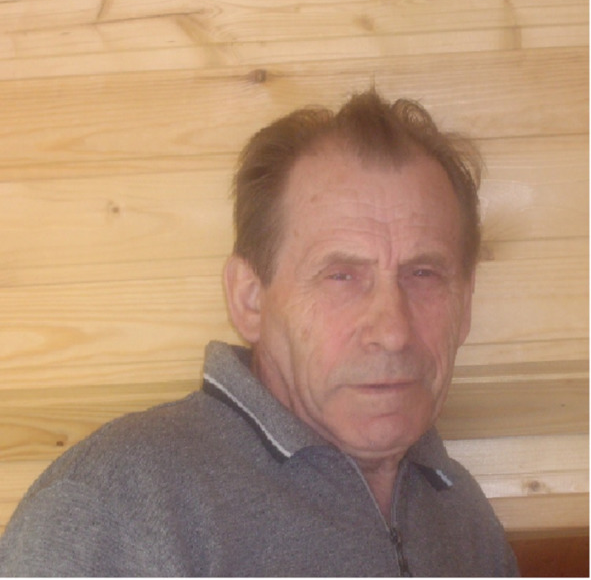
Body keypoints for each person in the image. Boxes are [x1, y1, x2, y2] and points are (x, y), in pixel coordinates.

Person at [0, 89, 519, 576]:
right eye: (341, 276)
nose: (393, 331)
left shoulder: (463, 514)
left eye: (424, 274)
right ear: (250, 300)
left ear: (465, 304)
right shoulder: (117, 507)